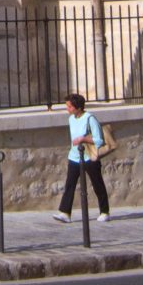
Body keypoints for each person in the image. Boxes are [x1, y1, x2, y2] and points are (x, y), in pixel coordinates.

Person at [53, 92, 112, 222]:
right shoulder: (71, 119)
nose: (67, 109)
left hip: (89, 157)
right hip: (74, 157)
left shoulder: (90, 118)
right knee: (70, 184)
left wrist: (83, 139)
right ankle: (65, 212)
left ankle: (104, 211)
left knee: (97, 184)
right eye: (67, 106)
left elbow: (99, 140)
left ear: (78, 107)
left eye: (69, 106)